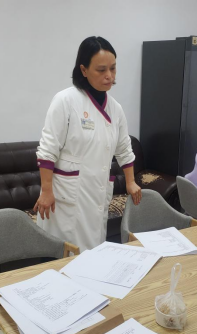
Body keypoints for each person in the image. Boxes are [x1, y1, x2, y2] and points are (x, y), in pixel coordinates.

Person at [34, 36, 142, 251]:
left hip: (97, 193)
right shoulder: (65, 100)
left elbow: (124, 148)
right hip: (66, 196)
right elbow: (47, 150)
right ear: (83, 70)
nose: (109, 76)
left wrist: (130, 182)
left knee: (94, 251)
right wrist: (46, 191)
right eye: (101, 70)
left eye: (113, 68)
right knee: (66, 254)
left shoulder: (115, 109)